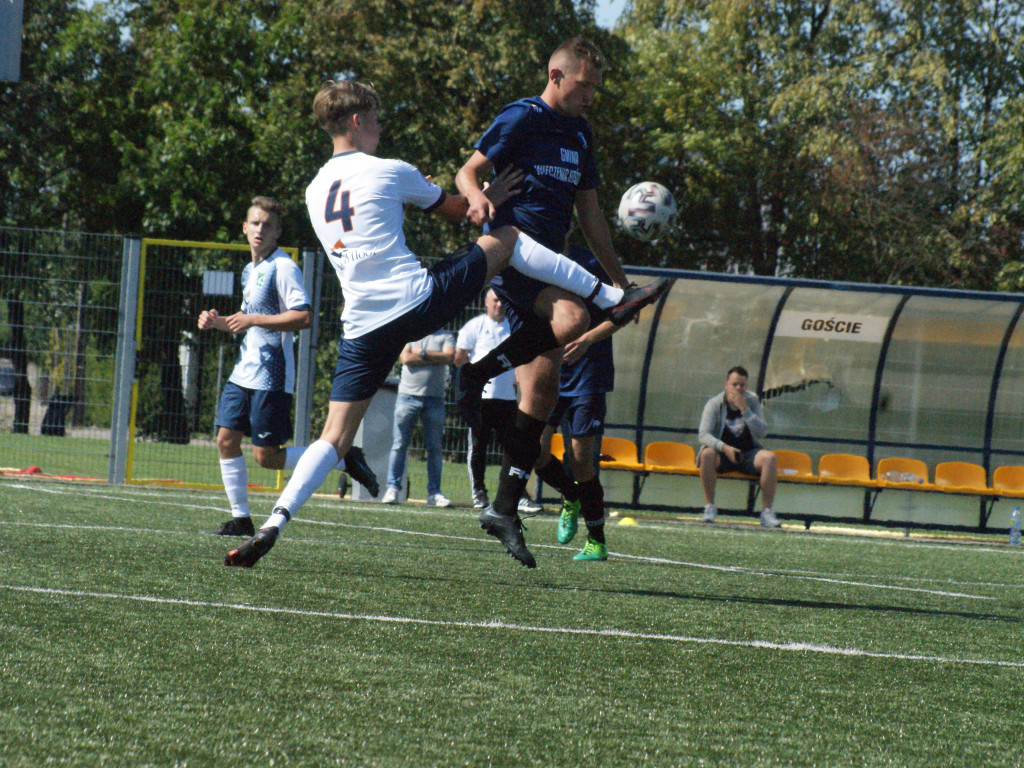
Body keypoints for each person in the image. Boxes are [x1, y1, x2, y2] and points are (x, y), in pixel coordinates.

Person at [224, 79, 661, 568]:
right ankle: (611, 296)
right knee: (508, 236)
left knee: (334, 436)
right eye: (377, 117)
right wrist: (486, 195)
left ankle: (272, 524)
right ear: (356, 120)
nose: (381, 125)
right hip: (417, 301)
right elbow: (463, 210)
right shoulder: (391, 170)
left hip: (361, 326)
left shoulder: (312, 189)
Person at [454, 37, 670, 562]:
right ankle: (479, 372)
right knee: (573, 318)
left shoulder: (581, 133)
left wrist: (622, 287)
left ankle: (504, 507)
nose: (591, 95)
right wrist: (477, 195)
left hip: (555, 264)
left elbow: (592, 217)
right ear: (556, 75)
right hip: (514, 255)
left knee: (541, 398)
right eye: (584, 85)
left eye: (596, 87)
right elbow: (466, 171)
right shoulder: (522, 117)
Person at [199, 196, 378, 538]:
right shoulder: (250, 270)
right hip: (244, 371)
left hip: (272, 374)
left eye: (267, 225)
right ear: (245, 227)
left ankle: (343, 458)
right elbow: (248, 321)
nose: (260, 230)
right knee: (225, 439)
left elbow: (304, 316)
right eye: (255, 223)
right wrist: (215, 321)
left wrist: (252, 318)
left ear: (277, 232)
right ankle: (241, 519)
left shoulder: (283, 267)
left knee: (266, 457)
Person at [534, 243, 622, 561]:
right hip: (550, 371)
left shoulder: (593, 261)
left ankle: (596, 541)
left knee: (582, 462)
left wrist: (587, 339)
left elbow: (623, 312)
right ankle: (570, 495)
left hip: (588, 377)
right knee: (534, 449)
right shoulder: (533, 256)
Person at [454, 288, 542, 514]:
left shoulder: (514, 327)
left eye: (502, 300)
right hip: (482, 400)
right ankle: (479, 494)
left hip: (507, 399)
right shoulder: (474, 326)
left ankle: (519, 496)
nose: (499, 305)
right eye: (495, 300)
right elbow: (460, 358)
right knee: (478, 449)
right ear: (486, 302)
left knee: (515, 449)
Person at [697, 365, 781, 528]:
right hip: (722, 454)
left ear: (746, 386)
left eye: (742, 385)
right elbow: (704, 435)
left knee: (770, 458)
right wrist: (725, 448)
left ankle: (767, 513)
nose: (738, 388)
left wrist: (745, 409)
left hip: (748, 453)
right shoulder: (715, 404)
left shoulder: (752, 400)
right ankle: (710, 508)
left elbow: (762, 432)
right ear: (726, 385)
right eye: (734, 384)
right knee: (706, 454)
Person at [381, 329, 456, 507]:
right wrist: (435, 358)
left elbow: (448, 358)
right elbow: (406, 359)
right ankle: (393, 489)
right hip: (407, 397)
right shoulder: (411, 333)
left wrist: (422, 353)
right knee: (399, 444)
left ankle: (434, 493)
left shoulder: (446, 336)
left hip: (435, 398)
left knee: (435, 448)